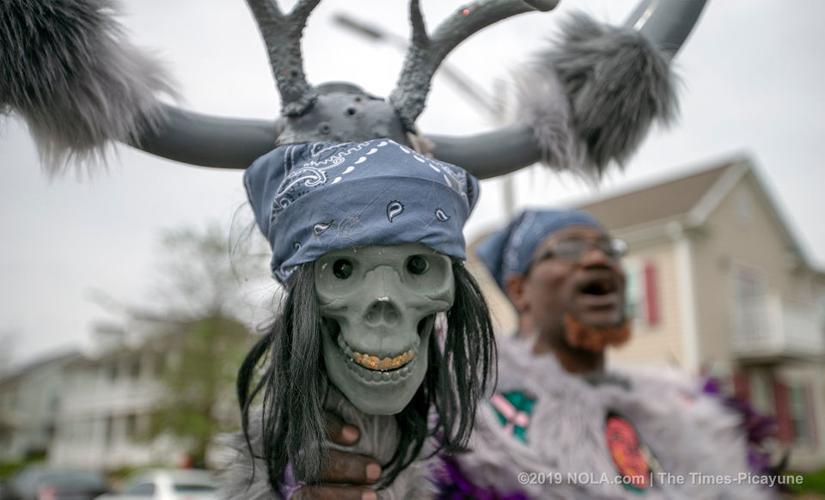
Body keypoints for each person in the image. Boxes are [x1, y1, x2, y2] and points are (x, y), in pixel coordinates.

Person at [434, 208, 775, 499]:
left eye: (609, 249)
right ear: (520, 290)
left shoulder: (684, 408)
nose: (599, 259)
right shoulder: (470, 415)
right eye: (569, 248)